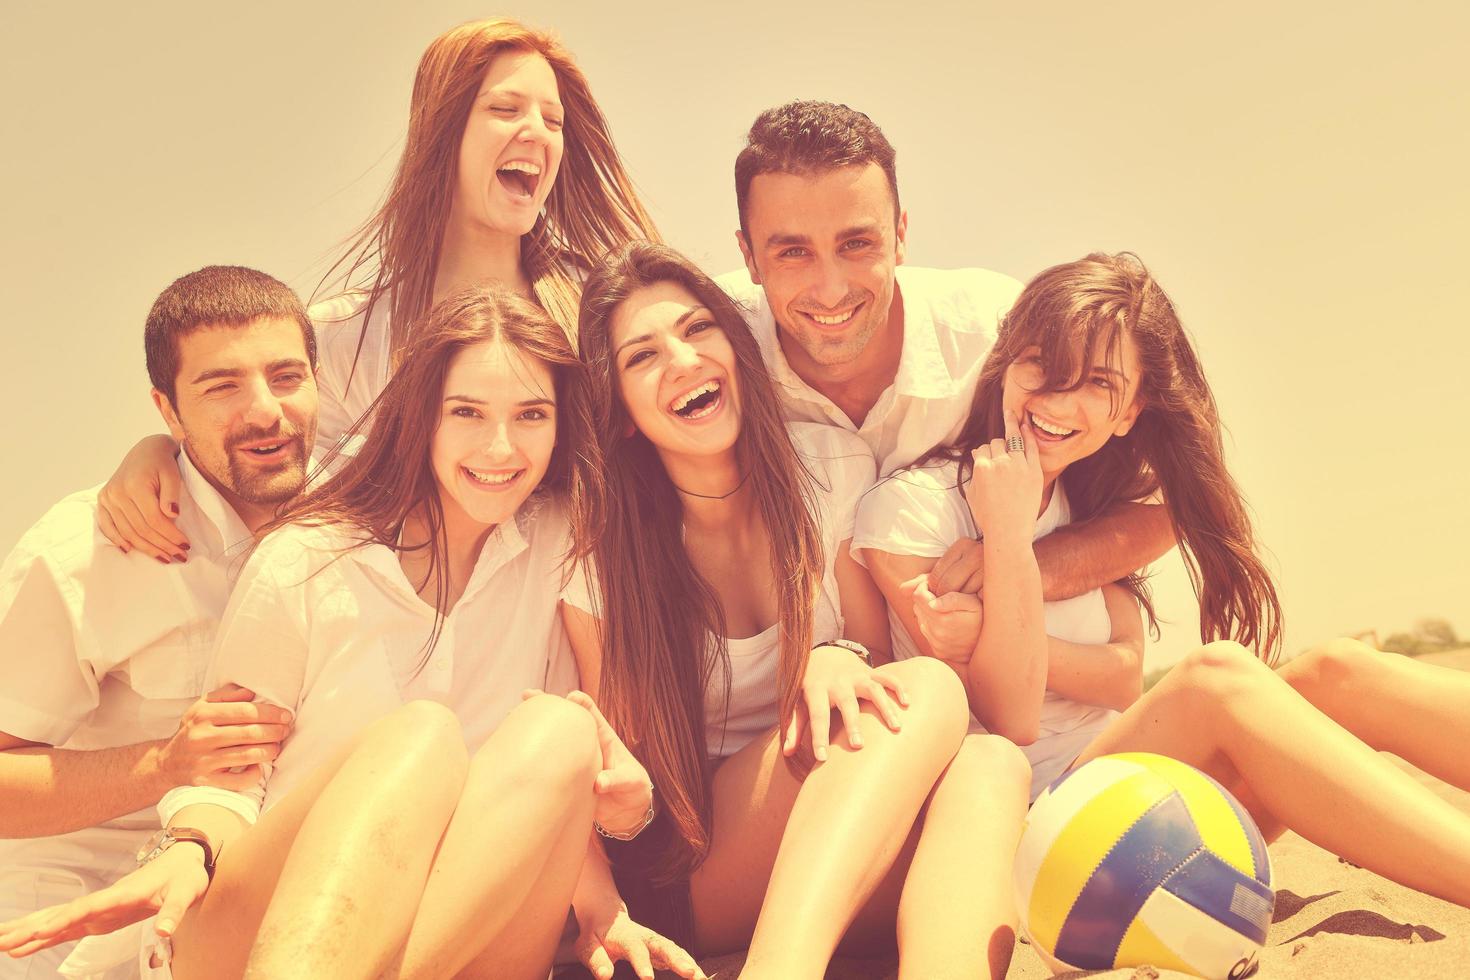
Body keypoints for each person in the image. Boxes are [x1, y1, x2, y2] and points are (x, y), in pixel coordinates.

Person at [0, 286, 701, 980]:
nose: (499, 444)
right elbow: (226, 772)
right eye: (465, 411)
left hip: (458, 929)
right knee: (420, 737)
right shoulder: (307, 552)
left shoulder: (556, 542)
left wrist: (604, 898)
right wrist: (191, 844)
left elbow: (551, 791)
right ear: (420, 417)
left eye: (531, 415)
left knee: (562, 730)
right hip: (272, 922)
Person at [857, 252, 1470, 908]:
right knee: (1216, 680)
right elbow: (1009, 719)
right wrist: (1004, 535)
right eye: (1043, 364)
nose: (1060, 399)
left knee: (1339, 672)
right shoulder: (915, 507)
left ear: (1130, 412)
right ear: (1006, 362)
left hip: (1129, 802)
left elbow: (1123, 677)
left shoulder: (1083, 507)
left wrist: (1005, 603)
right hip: (1031, 835)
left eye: (1097, 383)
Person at [568, 240, 1033, 980]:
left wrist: (833, 656)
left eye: (696, 330)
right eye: (642, 357)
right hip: (689, 868)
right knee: (933, 689)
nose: (683, 361)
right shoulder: (597, 551)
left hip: (828, 843)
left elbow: (873, 670)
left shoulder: (827, 468)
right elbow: (615, 783)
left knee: (994, 765)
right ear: (621, 412)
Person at [97, 16, 660, 563]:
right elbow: (277, 479)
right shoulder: (347, 334)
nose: (536, 131)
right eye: (504, 109)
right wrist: (163, 452)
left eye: (554, 120)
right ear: (443, 129)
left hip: (589, 634)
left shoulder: (600, 308)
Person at [719, 100, 1175, 604]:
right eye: (792, 253)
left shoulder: (1001, 332)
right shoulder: (706, 350)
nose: (830, 291)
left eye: (856, 245)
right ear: (749, 259)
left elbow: (1165, 507)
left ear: (900, 237)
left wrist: (1019, 567)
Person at [0, 265, 311, 979]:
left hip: (243, 923)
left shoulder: (357, 526)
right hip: (68, 934)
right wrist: (165, 766)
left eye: (286, 376)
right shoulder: (84, 550)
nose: (265, 410)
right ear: (166, 412)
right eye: (221, 386)